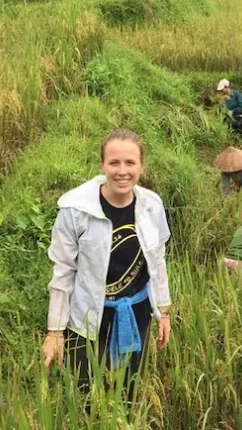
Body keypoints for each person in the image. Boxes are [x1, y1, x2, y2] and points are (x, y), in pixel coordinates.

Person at [42, 129, 172, 405]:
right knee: (83, 393)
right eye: (114, 163)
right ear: (102, 164)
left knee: (130, 388)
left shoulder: (151, 205)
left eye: (130, 163)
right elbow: (63, 272)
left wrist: (163, 311)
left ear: (141, 166)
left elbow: (157, 261)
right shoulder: (76, 210)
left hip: (136, 314)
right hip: (87, 318)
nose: (122, 171)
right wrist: (54, 331)